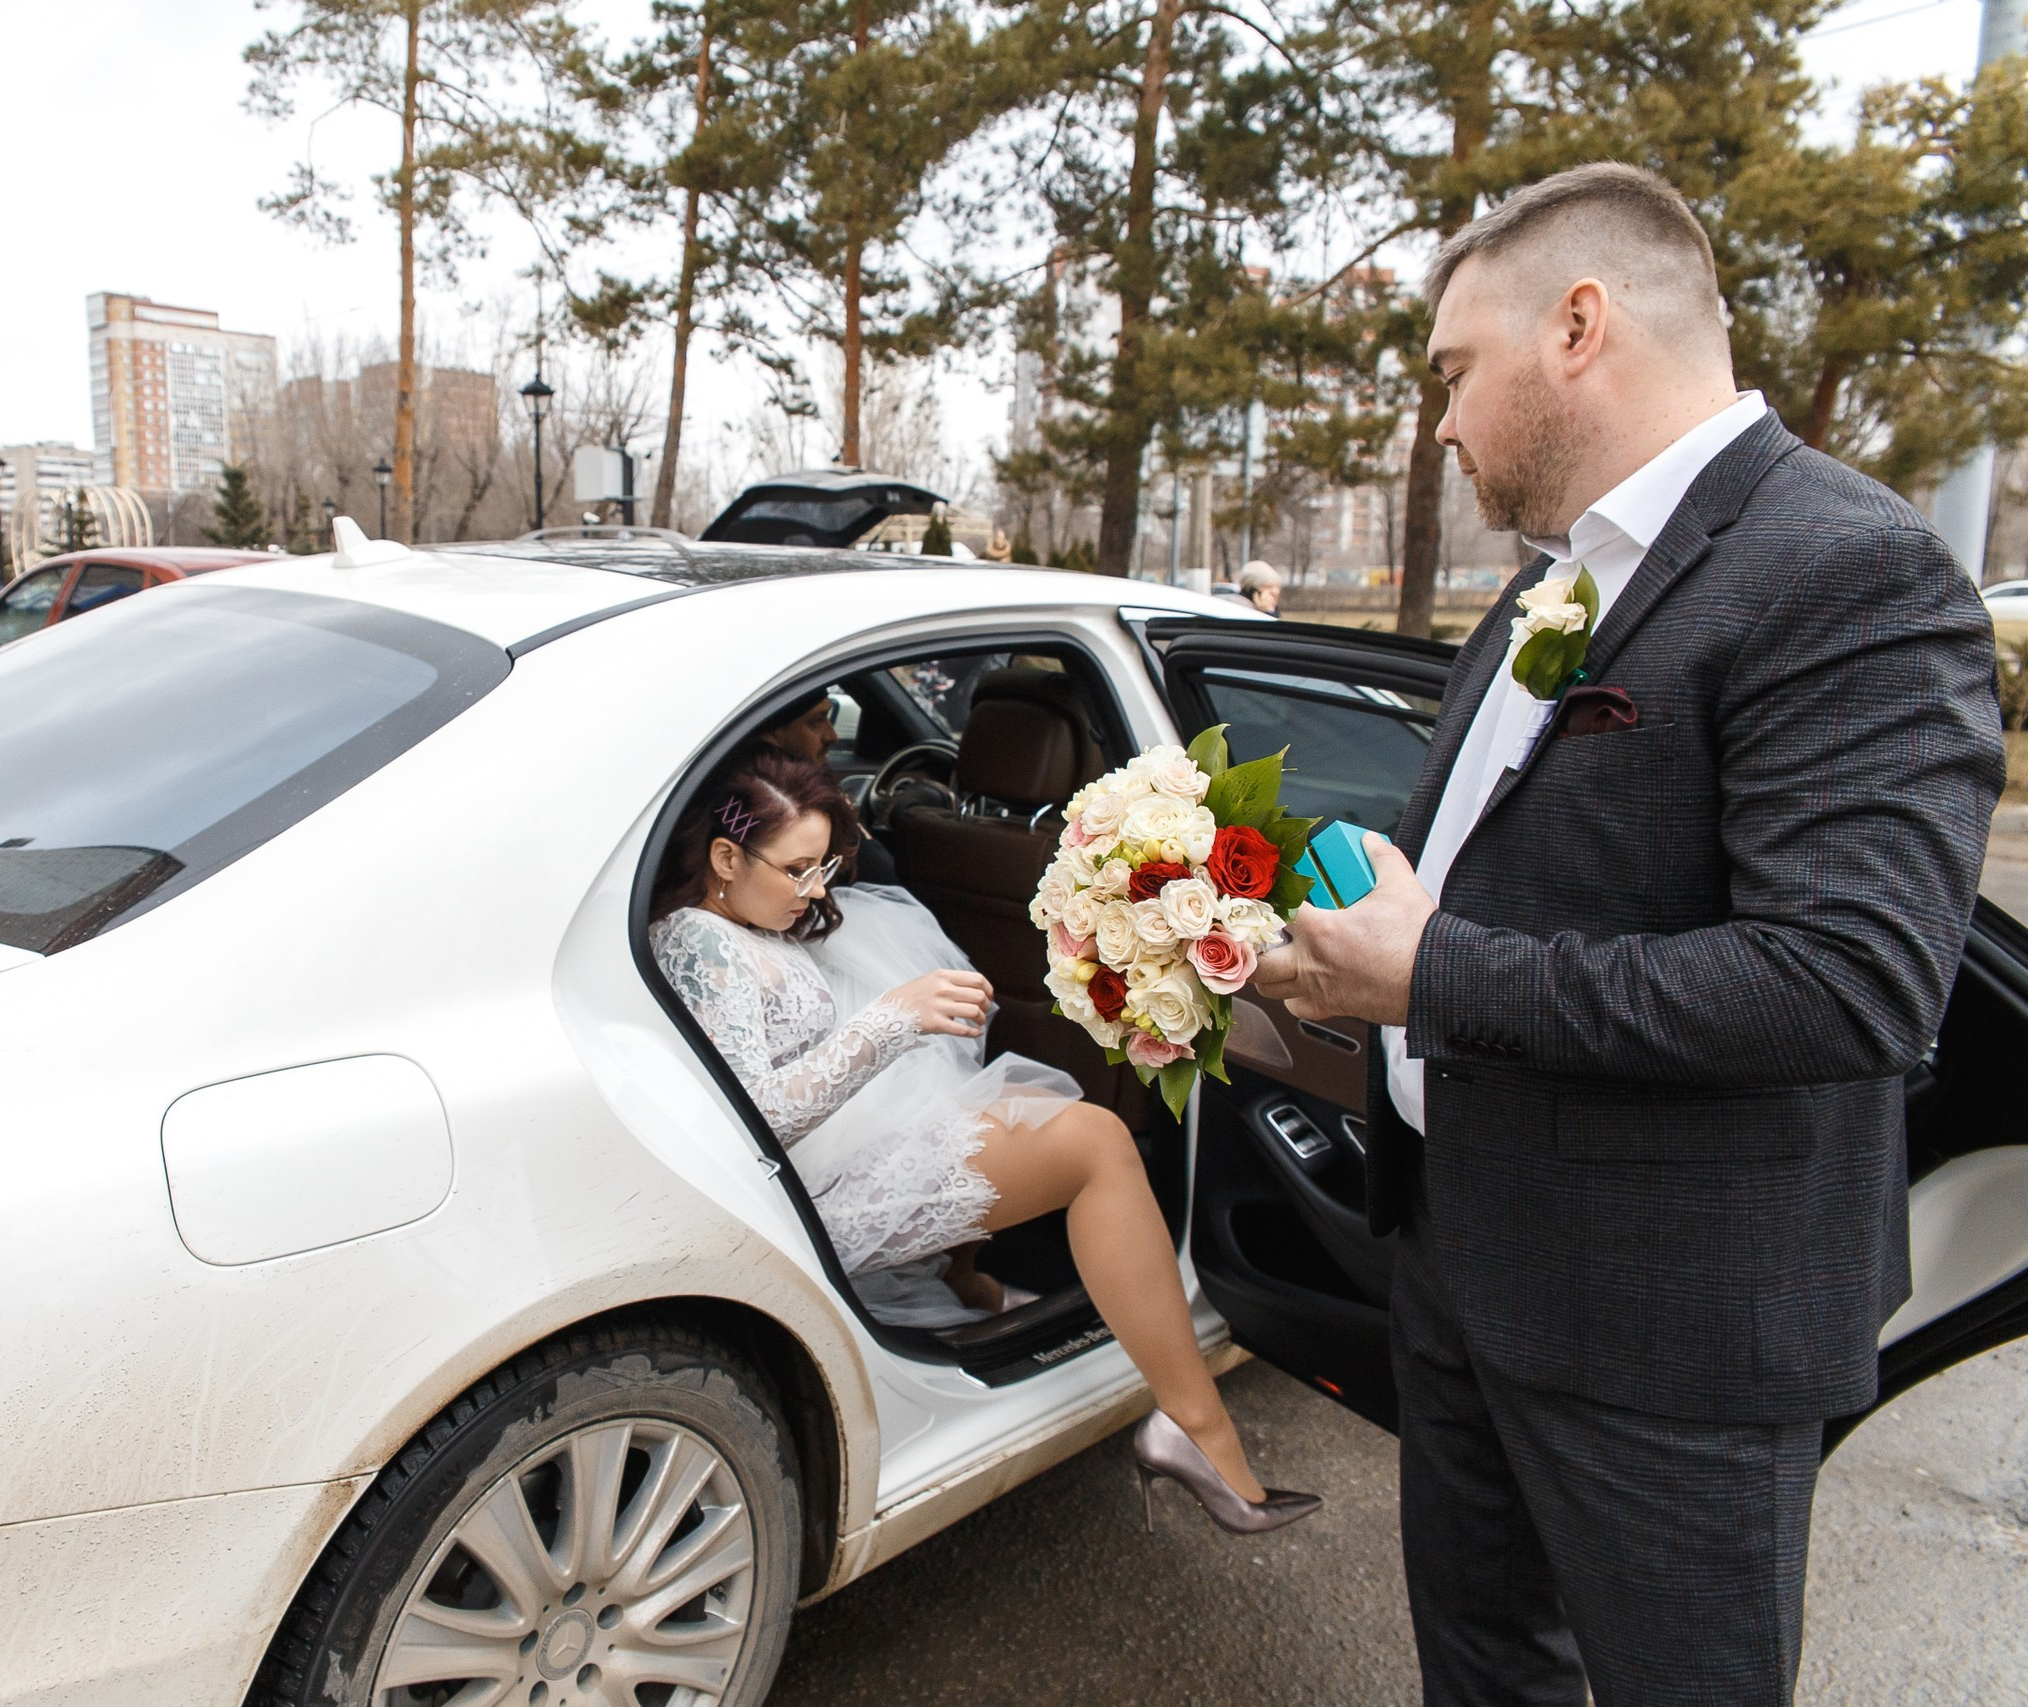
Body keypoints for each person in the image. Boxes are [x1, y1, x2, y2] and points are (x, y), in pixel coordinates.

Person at [1253, 163, 2003, 1704]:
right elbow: (1496, 867)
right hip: (1458, 1251)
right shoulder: (1548, 585)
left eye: (1456, 373)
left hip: (1674, 1322)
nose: (1444, 422)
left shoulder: (1847, 570)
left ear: (1580, 325)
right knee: (1484, 1669)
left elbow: (1849, 979)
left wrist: (1433, 973)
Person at [651, 748, 1319, 1535]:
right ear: (726, 856)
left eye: (825, 864)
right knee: (1094, 1141)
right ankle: (1200, 1431)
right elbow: (748, 1118)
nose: (818, 890)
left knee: (1019, 1106)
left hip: (846, 1142)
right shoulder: (699, 939)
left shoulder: (754, 919)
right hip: (802, 1193)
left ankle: (979, 1293)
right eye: (797, 869)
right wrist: (893, 1019)